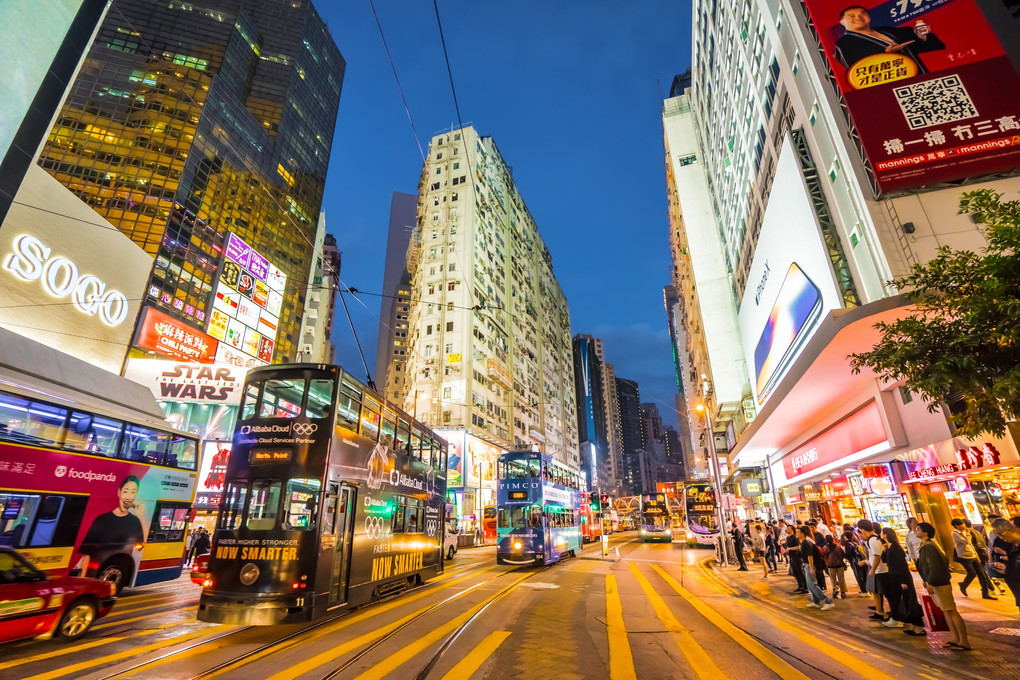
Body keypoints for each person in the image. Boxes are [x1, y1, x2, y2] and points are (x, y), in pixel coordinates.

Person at [833, 5, 946, 74]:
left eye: (863, 13)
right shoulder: (843, 44)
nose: (858, 17)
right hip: (892, 84)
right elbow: (856, 72)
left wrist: (922, 36)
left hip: (921, 74)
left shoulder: (888, 30)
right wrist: (887, 55)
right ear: (842, 22)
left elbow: (923, 48)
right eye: (851, 16)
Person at [916, 521, 971, 650]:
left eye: (918, 529)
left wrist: (931, 582)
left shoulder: (929, 546)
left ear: (925, 532)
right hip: (936, 582)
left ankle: (964, 641)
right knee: (946, 610)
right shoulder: (925, 544)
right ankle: (955, 638)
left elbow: (935, 566)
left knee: (951, 610)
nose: (915, 531)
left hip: (939, 583)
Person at [76, 475, 146, 575]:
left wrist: (141, 517)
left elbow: (142, 545)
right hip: (91, 574)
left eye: (133, 492)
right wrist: (82, 580)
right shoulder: (101, 519)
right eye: (125, 491)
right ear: (119, 493)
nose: (129, 497)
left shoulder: (135, 521)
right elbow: (87, 554)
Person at [882, 527, 926, 635]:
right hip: (895, 578)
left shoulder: (896, 548)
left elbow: (901, 566)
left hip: (902, 578)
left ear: (886, 535)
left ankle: (919, 627)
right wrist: (885, 550)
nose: (880, 534)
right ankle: (912, 626)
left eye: (882, 533)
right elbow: (885, 560)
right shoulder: (890, 547)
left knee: (910, 602)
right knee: (905, 602)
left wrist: (903, 581)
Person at [951, 518, 997, 600]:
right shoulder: (955, 534)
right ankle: (963, 585)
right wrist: (968, 533)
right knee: (972, 573)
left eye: (964, 524)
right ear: (956, 526)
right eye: (962, 524)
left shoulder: (967, 532)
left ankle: (985, 594)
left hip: (973, 555)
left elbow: (971, 545)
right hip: (964, 556)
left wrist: (976, 555)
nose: (964, 526)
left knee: (982, 574)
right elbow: (966, 542)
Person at [798, 526, 834, 610]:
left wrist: (811, 568)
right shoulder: (804, 542)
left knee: (812, 584)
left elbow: (810, 556)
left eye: (798, 532)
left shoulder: (806, 542)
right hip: (808, 565)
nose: (796, 533)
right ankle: (815, 601)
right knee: (810, 585)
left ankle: (827, 601)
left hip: (810, 565)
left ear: (803, 533)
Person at [858, 519, 888, 620]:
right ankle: (879, 612)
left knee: (885, 593)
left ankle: (892, 616)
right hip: (878, 569)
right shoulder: (873, 539)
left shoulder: (872, 540)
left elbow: (877, 556)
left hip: (880, 570)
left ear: (862, 529)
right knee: (876, 592)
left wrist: (872, 569)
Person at [825, 534, 848, 599]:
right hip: (839, 565)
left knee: (833, 579)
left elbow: (824, 557)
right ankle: (843, 592)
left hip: (831, 566)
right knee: (841, 579)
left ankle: (835, 590)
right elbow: (843, 555)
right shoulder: (838, 547)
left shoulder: (825, 548)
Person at [786, 525, 808, 593]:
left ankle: (805, 587)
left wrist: (789, 549)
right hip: (791, 556)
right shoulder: (788, 537)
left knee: (800, 572)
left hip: (797, 557)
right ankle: (800, 586)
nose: (787, 529)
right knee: (795, 572)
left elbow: (798, 547)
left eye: (789, 528)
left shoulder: (794, 537)